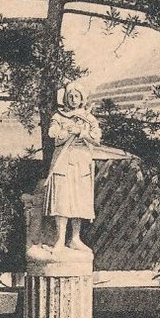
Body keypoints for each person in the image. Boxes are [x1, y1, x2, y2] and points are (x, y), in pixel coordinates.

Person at [43, 85, 102, 254]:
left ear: (81, 98)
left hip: (81, 161)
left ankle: (75, 238)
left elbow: (97, 139)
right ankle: (60, 239)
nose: (74, 99)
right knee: (62, 199)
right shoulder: (58, 116)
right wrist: (68, 130)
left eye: (77, 96)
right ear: (66, 98)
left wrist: (82, 132)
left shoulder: (88, 118)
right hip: (63, 160)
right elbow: (52, 133)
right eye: (70, 96)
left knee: (78, 199)